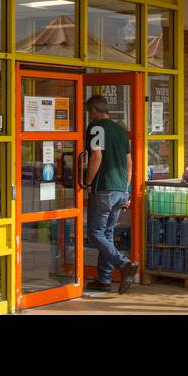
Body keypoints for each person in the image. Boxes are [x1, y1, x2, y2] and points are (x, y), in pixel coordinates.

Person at [82, 94, 137, 294]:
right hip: (121, 190)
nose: (89, 116)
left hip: (103, 188)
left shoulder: (96, 127)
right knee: (106, 234)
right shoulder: (120, 131)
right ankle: (104, 279)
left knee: (95, 233)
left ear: (94, 111)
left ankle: (124, 264)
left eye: (89, 112)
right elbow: (129, 163)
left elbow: (96, 156)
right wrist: (126, 190)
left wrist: (87, 183)